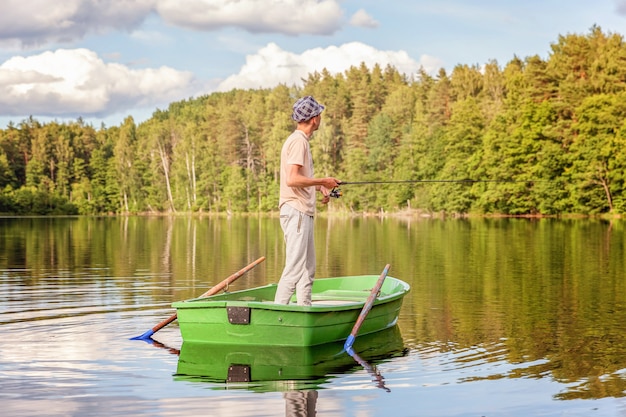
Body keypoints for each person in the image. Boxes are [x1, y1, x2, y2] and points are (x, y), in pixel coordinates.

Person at [274, 95, 340, 306]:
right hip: (296, 212)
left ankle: (305, 310)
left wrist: (319, 186)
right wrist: (324, 180)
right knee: (295, 267)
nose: (320, 117)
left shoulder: (300, 141)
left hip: (302, 212)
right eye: (319, 114)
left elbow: (298, 178)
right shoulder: (298, 142)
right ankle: (278, 313)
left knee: (307, 269)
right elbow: (292, 179)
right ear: (314, 118)